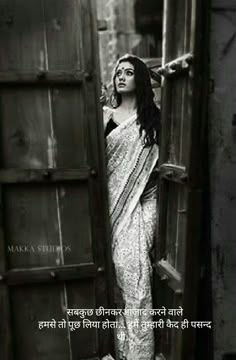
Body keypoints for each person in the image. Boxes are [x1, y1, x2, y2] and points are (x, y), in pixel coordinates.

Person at [103, 54, 160, 360]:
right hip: (110, 208)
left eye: (128, 72)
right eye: (117, 73)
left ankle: (140, 353)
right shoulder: (105, 117)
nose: (121, 77)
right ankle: (120, 349)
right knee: (115, 276)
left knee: (134, 272)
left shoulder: (154, 119)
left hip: (145, 203)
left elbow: (155, 168)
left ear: (140, 77)